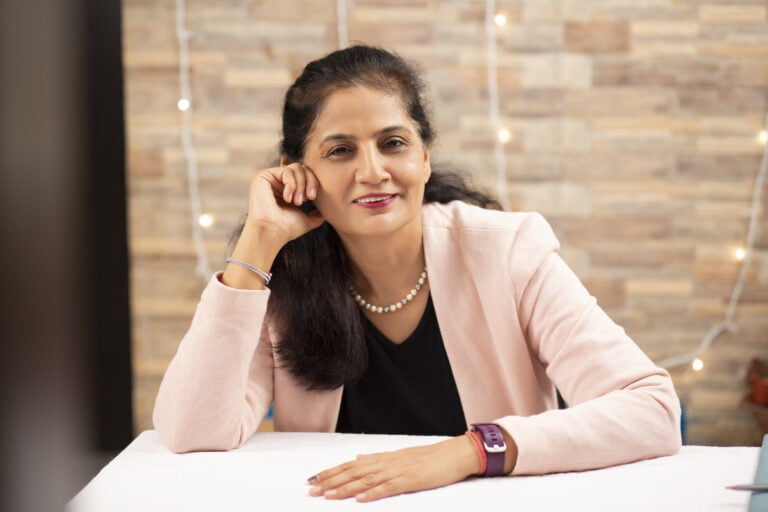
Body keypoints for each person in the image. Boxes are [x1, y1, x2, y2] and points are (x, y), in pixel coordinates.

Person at [153, 45, 681, 502]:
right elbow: (193, 432)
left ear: (424, 157)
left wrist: (469, 452)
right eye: (340, 150)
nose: (372, 171)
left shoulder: (506, 251)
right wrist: (259, 243)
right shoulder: (281, 278)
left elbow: (651, 410)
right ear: (298, 171)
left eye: (393, 143)